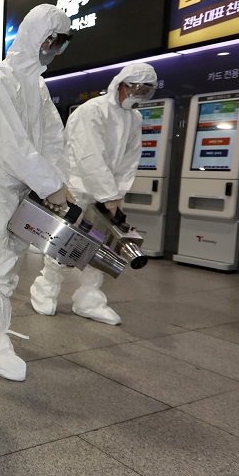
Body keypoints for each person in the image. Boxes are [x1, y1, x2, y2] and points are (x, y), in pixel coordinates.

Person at [0, 3, 74, 382]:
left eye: (60, 43)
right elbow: (8, 143)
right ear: (39, 38)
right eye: (54, 41)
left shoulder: (36, 86)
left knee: (8, 264)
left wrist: (57, 183)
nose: (55, 49)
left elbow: (51, 139)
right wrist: (50, 185)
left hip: (22, 191)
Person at [30, 63, 156, 325]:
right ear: (120, 84)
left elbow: (130, 158)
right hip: (77, 188)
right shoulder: (92, 111)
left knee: (100, 245)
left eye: (145, 90)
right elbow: (89, 156)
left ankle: (89, 299)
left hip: (105, 195)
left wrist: (117, 194)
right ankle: (45, 290)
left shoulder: (135, 119)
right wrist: (108, 193)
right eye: (135, 88)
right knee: (62, 243)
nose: (138, 94)